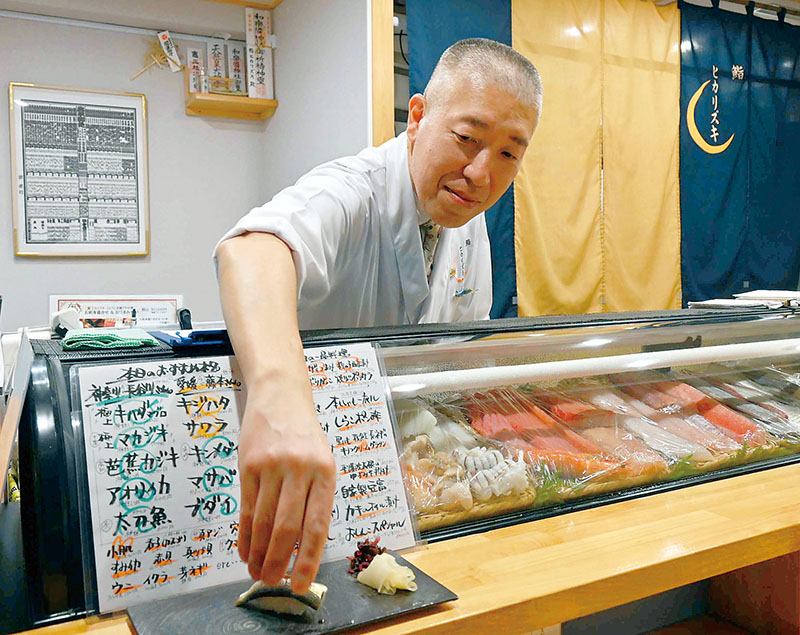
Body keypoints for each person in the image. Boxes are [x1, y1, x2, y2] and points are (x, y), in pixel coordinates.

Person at [214, 38, 542, 595]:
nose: (482, 173)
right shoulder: (351, 191)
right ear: (417, 117)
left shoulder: (468, 218)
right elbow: (251, 250)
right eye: (466, 138)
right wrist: (280, 396)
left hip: (394, 481)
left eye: (509, 154)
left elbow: (456, 348)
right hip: (294, 467)